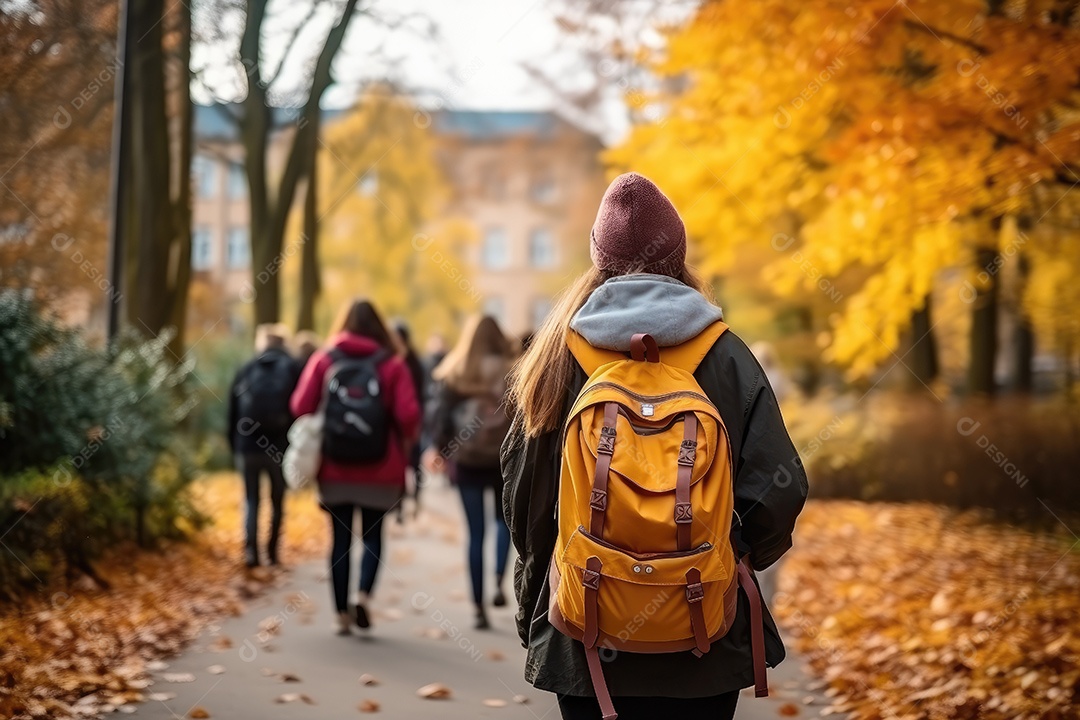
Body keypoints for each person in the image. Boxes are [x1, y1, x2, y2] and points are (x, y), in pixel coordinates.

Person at [501, 172, 808, 720]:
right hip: (704, 632)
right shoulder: (727, 356)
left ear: (598, 259)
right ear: (680, 256)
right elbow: (780, 488)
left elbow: (527, 499)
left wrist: (535, 602)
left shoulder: (558, 357)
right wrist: (727, 556)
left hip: (586, 631)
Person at [289, 299, 421, 635]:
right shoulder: (391, 364)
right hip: (381, 468)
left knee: (340, 540)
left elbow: (300, 405)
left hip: (335, 467)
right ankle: (362, 595)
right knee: (373, 535)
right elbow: (409, 415)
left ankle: (340, 614)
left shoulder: (325, 359)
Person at [426, 316, 515, 630]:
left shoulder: (457, 369)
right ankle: (499, 578)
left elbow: (441, 416)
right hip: (502, 460)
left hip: (466, 460)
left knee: (475, 534)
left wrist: (440, 449)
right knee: (504, 523)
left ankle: (478, 606)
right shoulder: (513, 370)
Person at [227, 323, 302, 568]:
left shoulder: (247, 368)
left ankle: (251, 551)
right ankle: (272, 552)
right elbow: (300, 408)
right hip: (280, 447)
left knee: (251, 498)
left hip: (248, 445)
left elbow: (232, 411)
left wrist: (234, 444)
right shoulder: (293, 368)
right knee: (277, 499)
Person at [392, 320, 427, 518]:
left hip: (413, 420)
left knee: (415, 462)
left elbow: (420, 394)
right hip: (396, 423)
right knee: (399, 463)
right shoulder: (390, 359)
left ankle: (416, 497)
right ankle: (398, 504)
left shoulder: (414, 363)